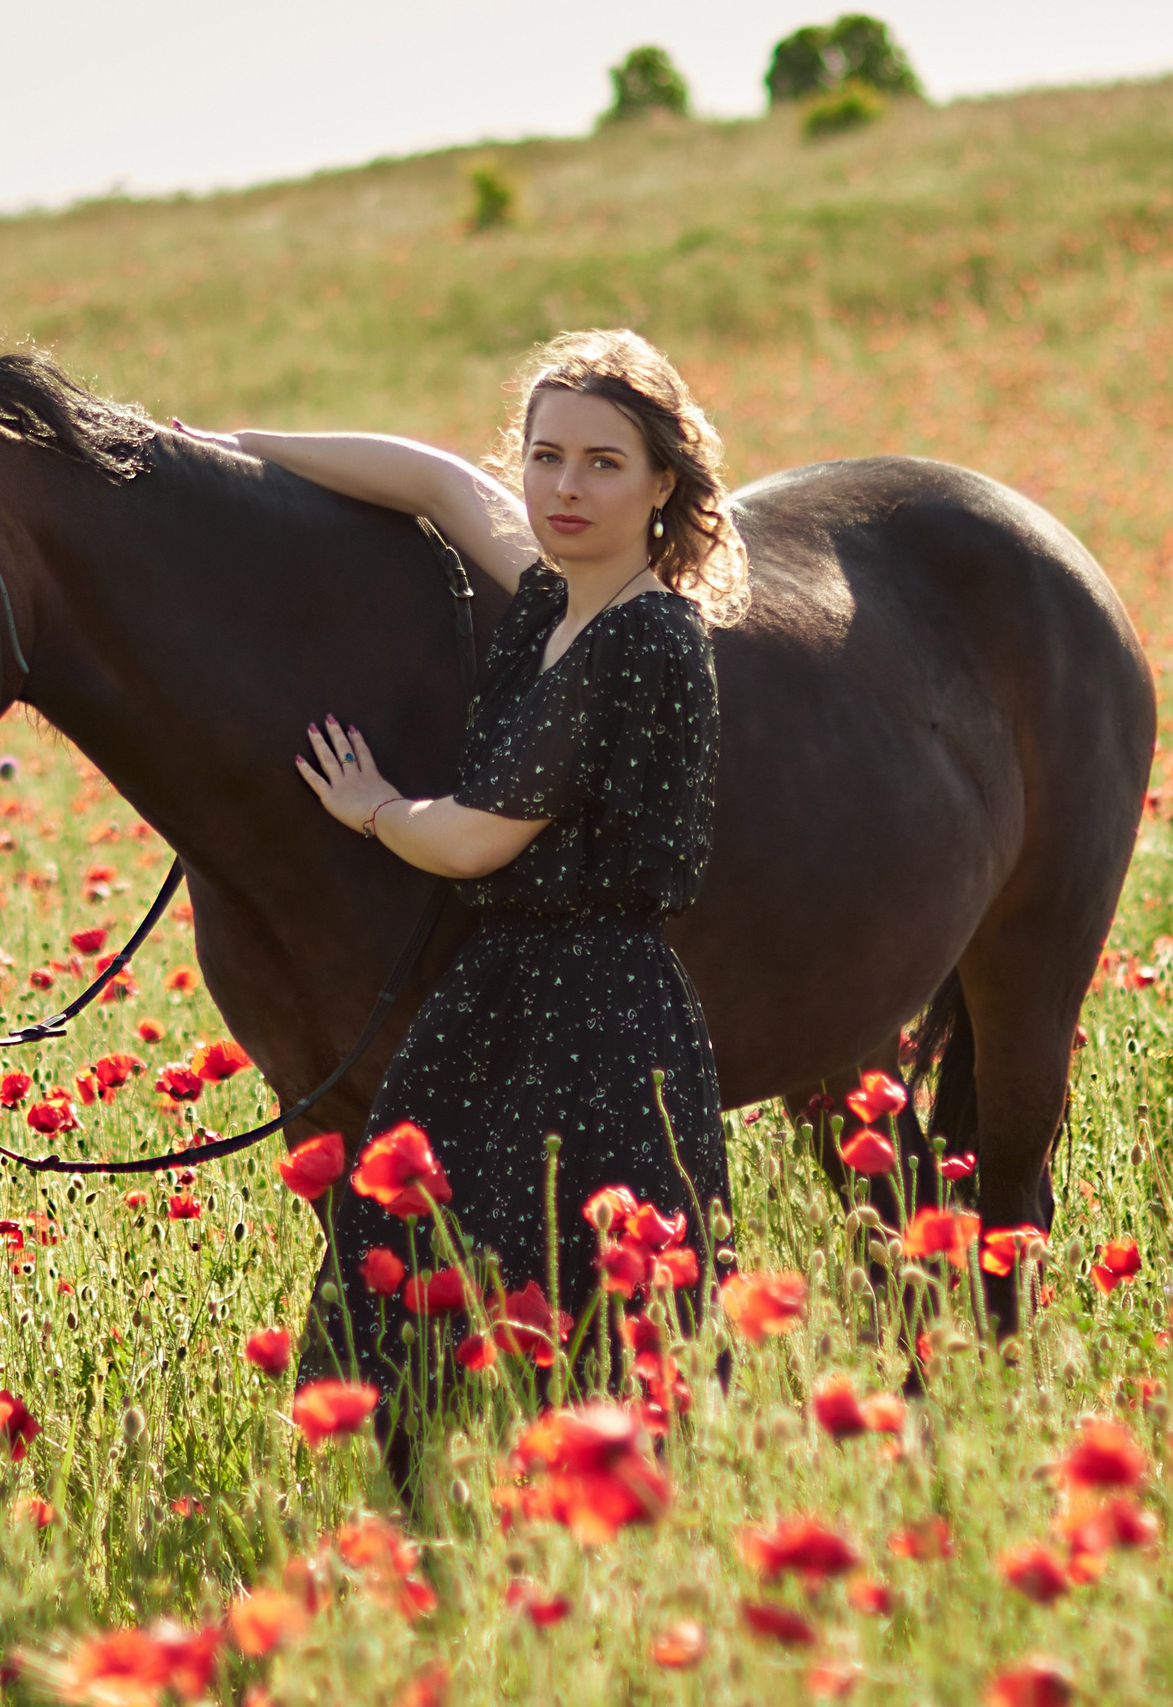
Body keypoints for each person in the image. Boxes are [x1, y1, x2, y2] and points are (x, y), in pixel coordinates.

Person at [186, 328, 746, 1477]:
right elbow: (437, 480)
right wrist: (224, 453)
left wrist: (374, 808)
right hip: (502, 997)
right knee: (434, 1279)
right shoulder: (555, 601)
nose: (564, 488)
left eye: (602, 463)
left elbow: (479, 840)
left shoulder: (641, 641)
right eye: (544, 457)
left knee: (572, 1300)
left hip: (597, 1013)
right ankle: (424, 1520)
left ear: (662, 488)